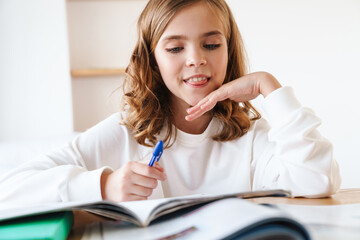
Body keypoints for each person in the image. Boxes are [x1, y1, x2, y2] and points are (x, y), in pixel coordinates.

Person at [0, 0, 340, 205]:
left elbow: (316, 182)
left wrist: (270, 87)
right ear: (153, 61)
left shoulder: (253, 136)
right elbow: (9, 191)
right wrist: (103, 185)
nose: (196, 60)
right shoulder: (124, 134)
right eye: (176, 48)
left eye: (211, 44)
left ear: (228, 50)